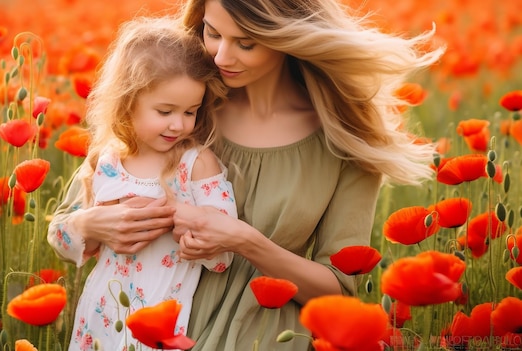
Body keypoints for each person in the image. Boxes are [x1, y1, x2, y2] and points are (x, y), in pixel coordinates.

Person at [48, 0, 445, 349]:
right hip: (150, 326)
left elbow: (338, 289)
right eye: (213, 32)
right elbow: (67, 222)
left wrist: (245, 241)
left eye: (246, 43)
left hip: (262, 336)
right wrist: (94, 224)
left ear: (286, 38)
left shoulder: (344, 139)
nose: (221, 57)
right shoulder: (183, 107)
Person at [49, 16, 237, 351]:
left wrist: (195, 238)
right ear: (128, 102)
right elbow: (61, 241)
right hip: (99, 318)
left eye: (190, 111)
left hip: (161, 324)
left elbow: (224, 258)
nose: (179, 125)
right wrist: (92, 226)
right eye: (165, 111)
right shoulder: (105, 163)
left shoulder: (196, 165)